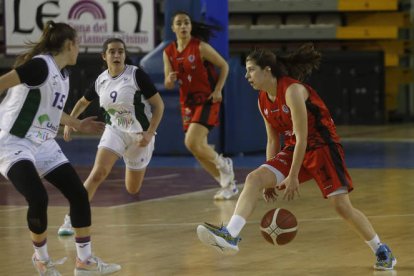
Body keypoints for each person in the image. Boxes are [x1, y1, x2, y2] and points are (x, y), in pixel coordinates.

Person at [196, 43, 397, 271]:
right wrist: (268, 176)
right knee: (254, 179)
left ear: (267, 70)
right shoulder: (263, 100)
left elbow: (303, 137)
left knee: (342, 207)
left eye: (251, 70)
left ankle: (381, 249)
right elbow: (273, 140)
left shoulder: (292, 91)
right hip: (294, 149)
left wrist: (291, 176)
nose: (246, 75)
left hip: (322, 148)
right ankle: (230, 234)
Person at [0, 21, 121, 275]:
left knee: (78, 193)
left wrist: (77, 123)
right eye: (78, 44)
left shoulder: (62, 74)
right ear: (69, 45)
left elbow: (52, 111)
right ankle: (42, 259)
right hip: (13, 141)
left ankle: (85, 262)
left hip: (42, 142)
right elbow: (3, 83)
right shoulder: (39, 65)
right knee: (38, 197)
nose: (79, 49)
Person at [57, 37, 164, 236]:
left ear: (124, 55)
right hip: (114, 131)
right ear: (104, 56)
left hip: (139, 136)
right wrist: (71, 122)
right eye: (112, 51)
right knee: (98, 173)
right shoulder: (101, 80)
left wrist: (150, 133)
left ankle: (131, 160)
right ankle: (72, 219)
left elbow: (159, 105)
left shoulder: (136, 75)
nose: (117, 55)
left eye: (120, 51)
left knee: (132, 189)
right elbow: (82, 102)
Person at [163, 11, 237, 200]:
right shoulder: (168, 52)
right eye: (179, 23)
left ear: (191, 27)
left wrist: (219, 89)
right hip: (187, 103)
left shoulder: (200, 47)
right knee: (197, 148)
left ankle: (224, 163)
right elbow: (168, 83)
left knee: (191, 142)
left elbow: (224, 65)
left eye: (186, 22)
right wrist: (169, 80)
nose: (183, 26)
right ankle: (227, 184)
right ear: (173, 28)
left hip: (207, 99)